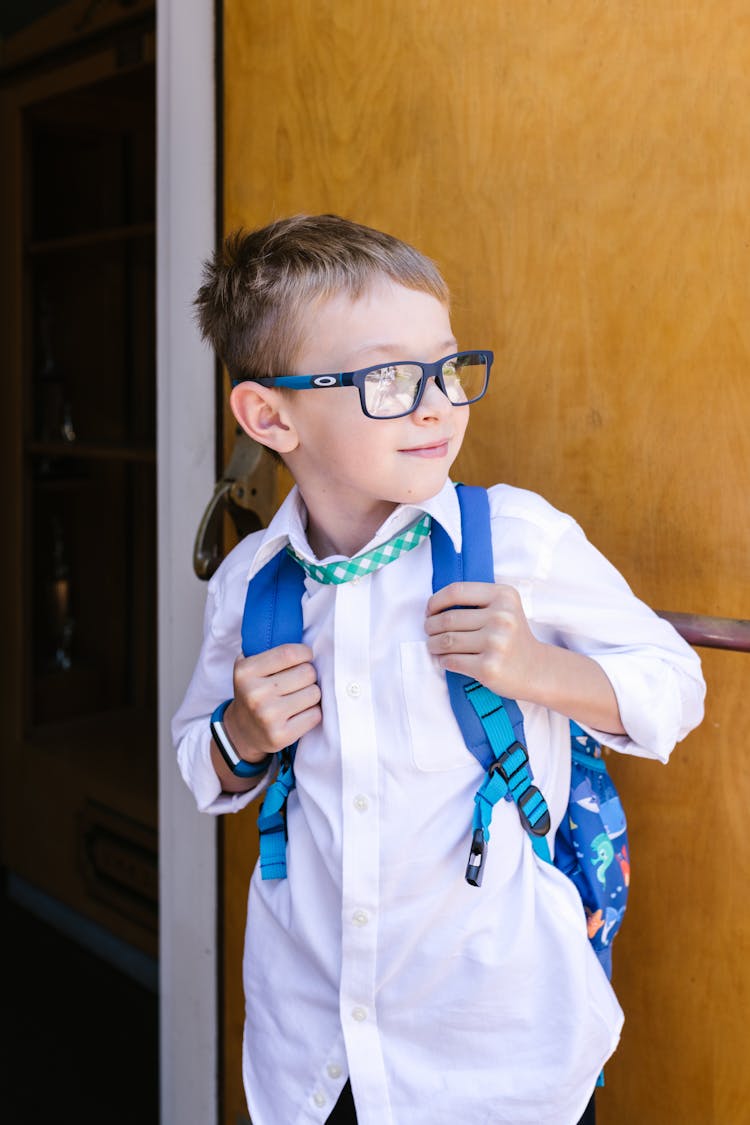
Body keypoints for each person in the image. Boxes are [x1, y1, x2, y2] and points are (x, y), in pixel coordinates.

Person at [172, 214, 705, 1125]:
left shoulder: (518, 541)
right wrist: (241, 735)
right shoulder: (251, 585)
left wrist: (539, 669)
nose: (436, 405)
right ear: (270, 415)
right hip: (317, 1053)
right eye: (387, 378)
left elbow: (674, 684)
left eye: (447, 369)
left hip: (499, 1049)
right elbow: (200, 761)